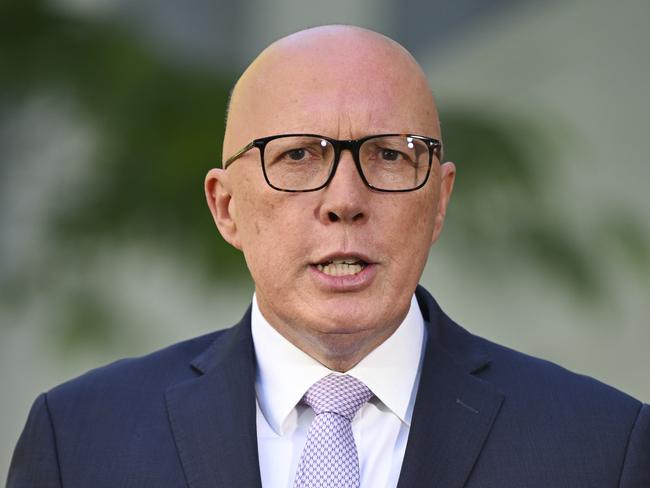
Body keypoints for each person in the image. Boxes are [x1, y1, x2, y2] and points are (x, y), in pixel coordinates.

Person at [7, 25, 649, 488]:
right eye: (296, 156)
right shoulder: (81, 441)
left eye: (390, 155)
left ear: (439, 202)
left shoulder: (603, 447)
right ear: (226, 207)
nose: (345, 200)